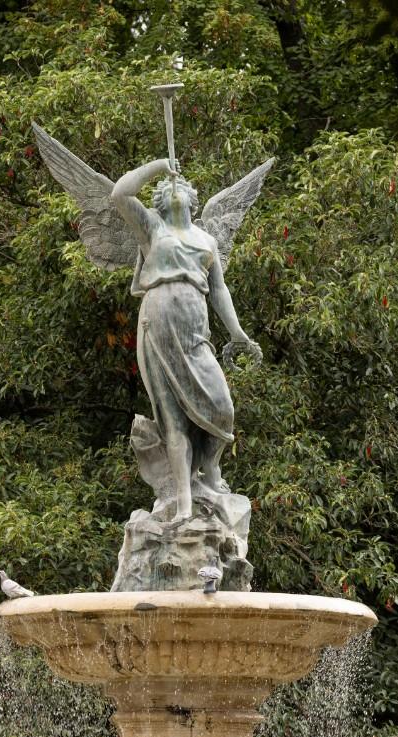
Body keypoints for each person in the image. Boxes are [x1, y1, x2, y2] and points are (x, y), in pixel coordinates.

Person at [111, 158, 261, 524]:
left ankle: (210, 471)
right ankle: (184, 503)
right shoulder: (152, 227)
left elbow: (219, 289)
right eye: (169, 186)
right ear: (160, 199)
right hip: (158, 323)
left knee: (222, 407)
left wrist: (238, 333)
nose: (175, 187)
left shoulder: (206, 238)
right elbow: (119, 193)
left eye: (181, 185)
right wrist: (160, 165)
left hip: (196, 331)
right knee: (173, 418)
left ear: (193, 199)